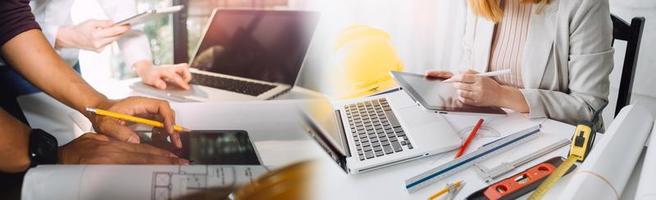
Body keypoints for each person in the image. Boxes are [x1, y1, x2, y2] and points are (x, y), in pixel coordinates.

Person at [0, 0, 188, 175]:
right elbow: (9, 16)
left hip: (55, 64)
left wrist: (101, 104)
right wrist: (55, 153)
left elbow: (9, 14)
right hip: (10, 67)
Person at [426, 0, 613, 129]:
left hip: (556, 140)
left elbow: (589, 106)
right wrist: (461, 82)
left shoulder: (586, 4)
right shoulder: (481, 3)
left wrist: (501, 95)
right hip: (492, 128)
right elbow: (478, 71)